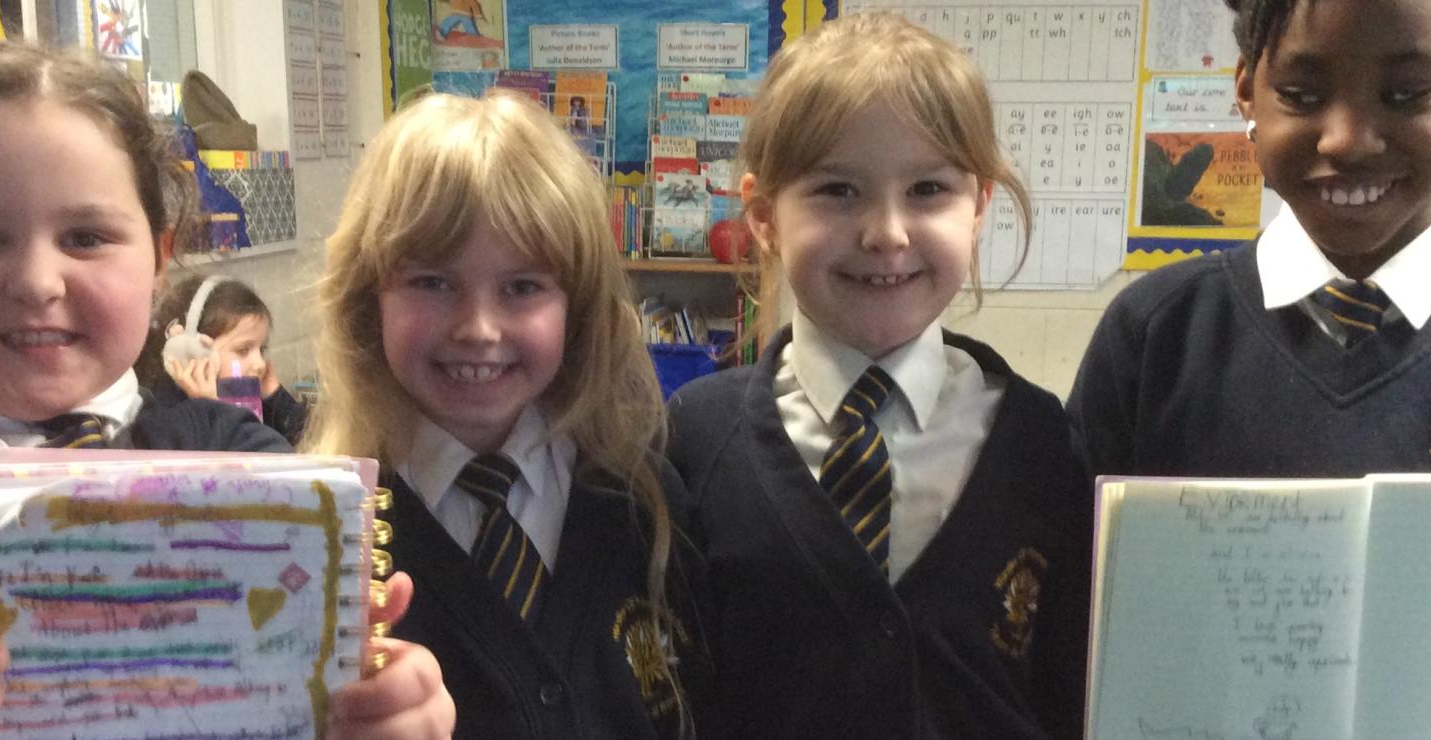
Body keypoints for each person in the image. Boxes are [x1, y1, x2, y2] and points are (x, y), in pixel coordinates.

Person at [0, 41, 453, 740]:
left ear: (159, 261)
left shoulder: (244, 458)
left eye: (86, 238)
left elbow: (313, 661)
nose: (37, 283)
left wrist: (383, 709)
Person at [1066, 0, 1431, 736]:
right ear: (1246, 89)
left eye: (1405, 94)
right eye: (1301, 94)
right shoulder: (1155, 335)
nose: (1347, 138)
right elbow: (1069, 632)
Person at [664, 13, 1092, 738]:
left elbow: (1071, 690)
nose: (886, 233)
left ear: (979, 206)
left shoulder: (1040, 443)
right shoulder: (696, 439)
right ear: (764, 218)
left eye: (927, 189)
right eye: (837, 190)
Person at [304, 89, 712, 739]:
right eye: (432, 282)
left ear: (576, 310)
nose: (478, 329)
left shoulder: (645, 504)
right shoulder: (318, 541)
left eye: (522, 287)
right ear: (367, 301)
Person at [139, 273, 311, 444]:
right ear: (193, 354)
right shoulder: (169, 420)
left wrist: (276, 397)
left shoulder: (254, 400)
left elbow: (310, 442)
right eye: (242, 350)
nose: (259, 364)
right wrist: (209, 410)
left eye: (262, 349)